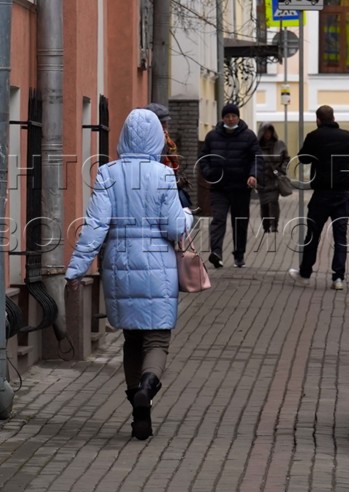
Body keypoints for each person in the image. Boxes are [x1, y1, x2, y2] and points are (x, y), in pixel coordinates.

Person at [66, 108, 195, 441]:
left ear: (123, 137)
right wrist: (186, 215)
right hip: (158, 268)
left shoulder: (107, 174)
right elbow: (173, 228)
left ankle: (136, 401)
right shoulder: (164, 176)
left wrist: (76, 268)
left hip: (119, 266)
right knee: (157, 338)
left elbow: (94, 227)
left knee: (132, 339)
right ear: (156, 137)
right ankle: (148, 389)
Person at [288, 104, 349, 289]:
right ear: (333, 118)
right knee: (340, 235)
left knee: (313, 233)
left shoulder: (314, 137)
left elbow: (303, 158)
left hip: (322, 193)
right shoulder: (348, 136)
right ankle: (338, 278)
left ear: (318, 120)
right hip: (343, 192)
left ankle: (305, 274)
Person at [199, 102, 259, 269]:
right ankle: (216, 252)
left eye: (233, 116)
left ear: (238, 117)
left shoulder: (248, 136)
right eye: (227, 116)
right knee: (218, 219)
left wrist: (253, 175)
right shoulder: (212, 136)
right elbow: (203, 157)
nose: (231, 119)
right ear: (222, 118)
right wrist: (208, 172)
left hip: (241, 187)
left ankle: (239, 254)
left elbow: (256, 157)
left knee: (239, 221)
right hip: (219, 187)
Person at [254, 123, 290, 235]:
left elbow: (286, 159)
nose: (267, 134)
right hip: (261, 180)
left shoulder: (279, 145)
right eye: (265, 132)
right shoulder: (256, 147)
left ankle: (274, 225)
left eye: (269, 132)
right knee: (264, 204)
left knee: (273, 202)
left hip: (274, 179)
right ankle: (266, 226)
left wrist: (281, 170)